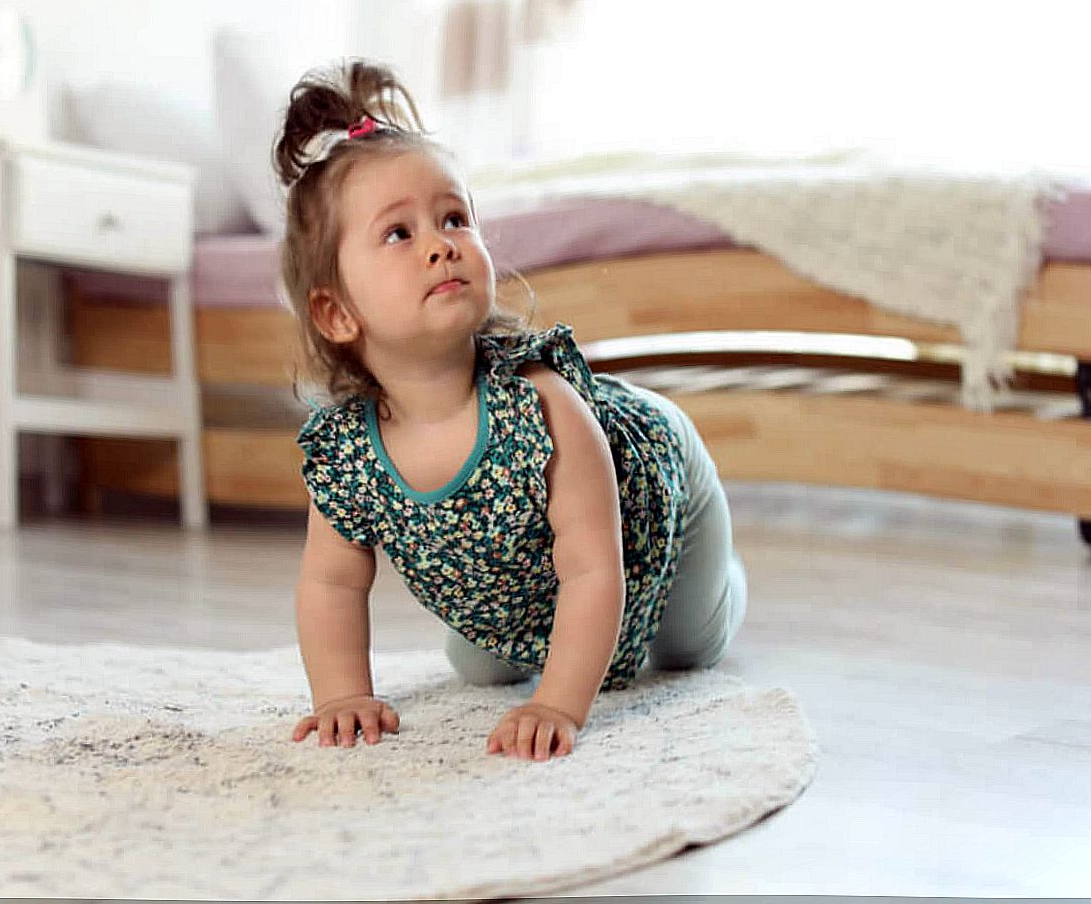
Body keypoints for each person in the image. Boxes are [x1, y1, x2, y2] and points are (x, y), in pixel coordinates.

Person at [282, 59, 748, 763]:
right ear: (336, 312)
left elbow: (594, 567)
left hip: (656, 497)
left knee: (685, 646)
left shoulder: (539, 405)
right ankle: (524, 632)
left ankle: (726, 584)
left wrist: (555, 704)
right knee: (481, 667)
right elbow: (330, 580)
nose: (442, 243)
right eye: (399, 234)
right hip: (518, 575)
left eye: (453, 217)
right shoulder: (349, 451)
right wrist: (342, 692)